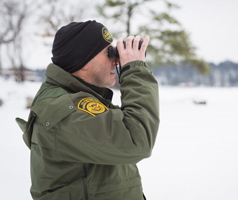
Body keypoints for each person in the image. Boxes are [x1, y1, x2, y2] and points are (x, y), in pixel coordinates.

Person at [16, 20, 159, 200]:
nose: (116, 59)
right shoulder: (63, 108)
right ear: (83, 61)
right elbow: (137, 141)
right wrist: (135, 70)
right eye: (109, 53)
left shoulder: (78, 97)